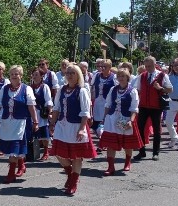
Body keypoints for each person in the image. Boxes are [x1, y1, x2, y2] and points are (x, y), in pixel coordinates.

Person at [49, 63, 94, 196]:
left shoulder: (82, 90)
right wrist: (52, 124)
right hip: (62, 126)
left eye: (72, 73)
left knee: (76, 157)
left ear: (78, 75)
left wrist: (81, 129)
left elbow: (86, 112)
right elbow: (56, 108)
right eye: (68, 73)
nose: (69, 75)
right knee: (58, 153)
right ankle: (71, 174)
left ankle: (73, 182)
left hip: (76, 126)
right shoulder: (62, 90)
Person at [0, 65, 38, 183]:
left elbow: (31, 107)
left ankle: (11, 173)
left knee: (14, 148)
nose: (14, 76)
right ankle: (21, 165)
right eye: (12, 74)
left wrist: (35, 121)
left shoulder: (26, 89)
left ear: (21, 76)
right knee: (11, 148)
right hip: (7, 123)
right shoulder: (4, 88)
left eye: (16, 74)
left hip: (20, 123)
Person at [98, 69, 141, 175]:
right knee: (110, 143)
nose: (121, 78)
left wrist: (131, 121)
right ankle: (110, 167)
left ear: (127, 77)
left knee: (127, 144)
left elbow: (134, 108)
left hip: (126, 119)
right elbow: (108, 104)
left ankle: (127, 162)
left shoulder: (132, 91)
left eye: (123, 76)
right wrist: (104, 118)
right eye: (119, 76)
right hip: (112, 119)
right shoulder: (113, 89)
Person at [131, 56, 173, 160]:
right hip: (143, 106)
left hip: (156, 106)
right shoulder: (142, 75)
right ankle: (142, 151)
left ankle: (156, 153)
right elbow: (138, 90)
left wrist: (160, 88)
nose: (148, 68)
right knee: (140, 128)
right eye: (146, 66)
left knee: (157, 130)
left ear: (155, 65)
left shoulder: (162, 75)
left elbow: (170, 89)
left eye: (149, 66)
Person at [29, 67, 54, 161]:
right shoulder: (29, 87)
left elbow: (48, 100)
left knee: (44, 133)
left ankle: (46, 151)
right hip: (32, 113)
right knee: (34, 134)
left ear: (41, 76)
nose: (34, 77)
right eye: (33, 75)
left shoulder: (44, 87)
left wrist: (50, 112)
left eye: (36, 75)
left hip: (41, 113)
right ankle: (34, 152)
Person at [90, 59, 116, 143]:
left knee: (106, 122)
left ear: (109, 67)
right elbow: (92, 88)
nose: (102, 68)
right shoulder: (97, 76)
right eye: (101, 66)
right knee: (97, 122)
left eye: (104, 66)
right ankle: (102, 139)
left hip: (108, 103)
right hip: (98, 102)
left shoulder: (114, 77)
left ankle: (104, 141)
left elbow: (117, 90)